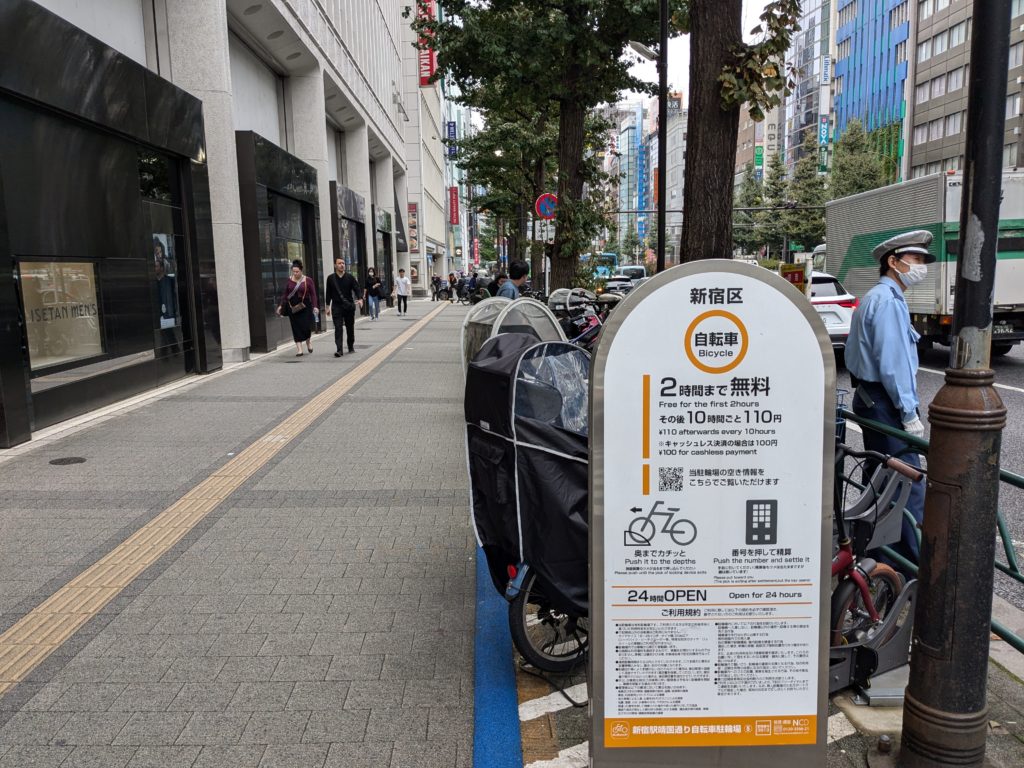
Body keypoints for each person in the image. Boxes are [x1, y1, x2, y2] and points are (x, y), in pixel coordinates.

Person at [845, 229, 934, 569]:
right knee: (906, 483)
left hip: (871, 398)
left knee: (881, 479)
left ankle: (876, 558)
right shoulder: (888, 302)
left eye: (923, 260)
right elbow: (894, 364)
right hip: (884, 402)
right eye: (915, 259)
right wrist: (909, 412)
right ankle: (906, 568)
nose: (921, 265)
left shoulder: (878, 297)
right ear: (893, 262)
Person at [276, 259, 319, 356]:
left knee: (306, 327)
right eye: (293, 271)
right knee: (295, 327)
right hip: (292, 307)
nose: (295, 273)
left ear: (301, 270)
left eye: (297, 272)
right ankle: (299, 349)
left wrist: (315, 306)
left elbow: (313, 295)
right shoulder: (289, 280)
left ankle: (308, 342)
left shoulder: (308, 280)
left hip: (305, 306)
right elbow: (285, 294)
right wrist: (281, 305)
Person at [324, 257, 363, 357]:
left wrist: (360, 298)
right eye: (339, 263)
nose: (342, 265)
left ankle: (350, 346)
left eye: (343, 263)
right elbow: (328, 293)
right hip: (336, 306)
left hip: (348, 306)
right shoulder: (330, 278)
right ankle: (339, 349)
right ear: (335, 265)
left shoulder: (350, 277)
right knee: (338, 328)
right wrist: (327, 306)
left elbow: (357, 288)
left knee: (350, 328)